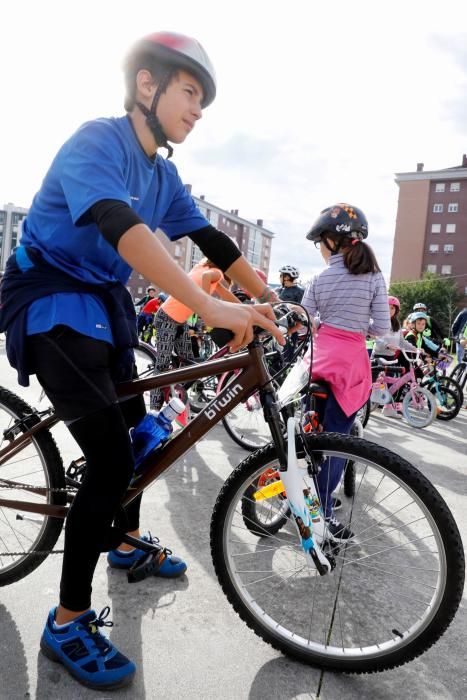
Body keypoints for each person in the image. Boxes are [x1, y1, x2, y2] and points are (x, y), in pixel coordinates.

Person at [0, 31, 282, 691]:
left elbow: (209, 238)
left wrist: (274, 299)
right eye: (191, 92)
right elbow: (121, 229)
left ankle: (123, 543)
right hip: (48, 299)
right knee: (109, 456)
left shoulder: (163, 173)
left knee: (138, 431)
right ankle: (67, 622)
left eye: (203, 99)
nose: (198, 109)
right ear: (147, 86)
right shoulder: (96, 142)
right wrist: (209, 308)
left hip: (102, 306)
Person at [302, 203, 390, 540]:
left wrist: (326, 323)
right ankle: (321, 515)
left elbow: (304, 322)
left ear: (330, 241)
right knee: (337, 443)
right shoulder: (373, 277)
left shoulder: (319, 278)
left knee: (309, 438)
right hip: (350, 366)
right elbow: (381, 328)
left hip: (317, 363)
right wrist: (357, 326)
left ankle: (300, 499)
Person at [150, 257, 239, 409]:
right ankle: (154, 410)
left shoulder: (205, 268)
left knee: (189, 365)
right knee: (163, 366)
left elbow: (227, 296)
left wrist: (247, 311)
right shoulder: (215, 272)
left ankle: (173, 396)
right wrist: (204, 304)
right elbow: (206, 279)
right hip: (167, 317)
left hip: (180, 321)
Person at [372, 295, 417, 418]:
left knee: (390, 385)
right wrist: (387, 345)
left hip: (391, 358)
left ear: (396, 310)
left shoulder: (397, 326)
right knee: (373, 384)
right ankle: (363, 405)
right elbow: (377, 338)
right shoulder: (379, 323)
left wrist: (415, 348)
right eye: (388, 307)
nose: (390, 310)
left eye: (393, 308)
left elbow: (402, 342)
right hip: (379, 356)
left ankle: (387, 408)